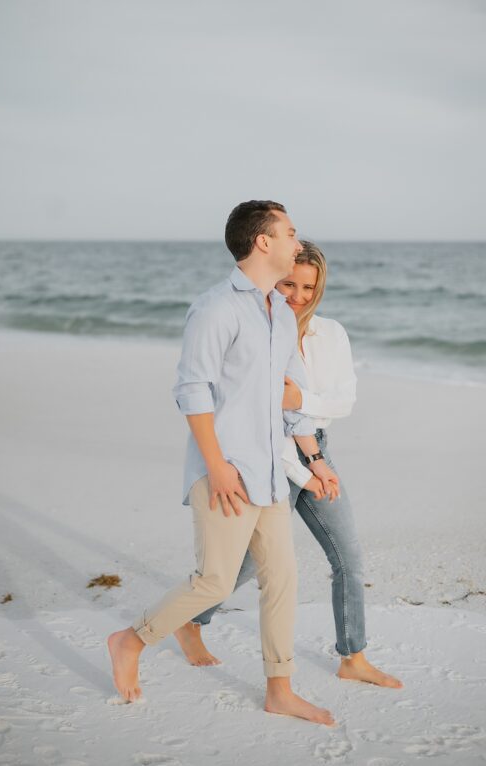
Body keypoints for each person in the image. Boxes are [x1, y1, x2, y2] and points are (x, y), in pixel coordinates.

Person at [106, 201, 340, 725]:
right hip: (226, 472)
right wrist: (216, 465)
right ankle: (129, 640)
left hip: (270, 474)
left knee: (281, 578)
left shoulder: (281, 311)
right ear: (263, 242)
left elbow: (288, 401)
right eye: (289, 232)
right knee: (213, 582)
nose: (298, 243)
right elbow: (193, 390)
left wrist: (315, 459)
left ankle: (279, 688)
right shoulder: (215, 308)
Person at [174, 242, 402, 689]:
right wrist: (306, 471)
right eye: (289, 283)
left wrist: (303, 406)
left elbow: (344, 400)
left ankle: (352, 657)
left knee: (348, 557)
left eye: (308, 286)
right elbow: (246, 412)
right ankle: (189, 621)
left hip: (315, 449)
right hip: (267, 455)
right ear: (274, 279)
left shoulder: (331, 334)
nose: (298, 295)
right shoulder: (258, 327)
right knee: (244, 566)